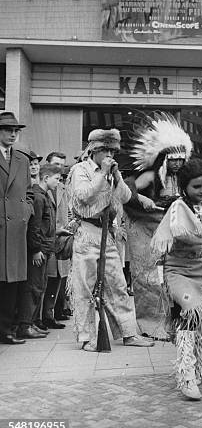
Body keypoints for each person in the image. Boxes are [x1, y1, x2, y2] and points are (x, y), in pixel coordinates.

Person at [66, 128, 154, 351]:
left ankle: (128, 333)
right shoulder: (80, 170)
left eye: (112, 151)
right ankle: (86, 337)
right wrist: (101, 174)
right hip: (87, 233)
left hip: (108, 235)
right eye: (105, 151)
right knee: (84, 287)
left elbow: (125, 197)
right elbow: (83, 195)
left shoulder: (113, 170)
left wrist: (115, 176)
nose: (110, 156)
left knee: (118, 285)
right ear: (94, 150)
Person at [151, 158, 202, 401]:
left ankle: (196, 366)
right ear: (184, 188)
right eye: (196, 187)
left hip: (201, 271)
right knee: (190, 312)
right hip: (178, 272)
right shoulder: (178, 206)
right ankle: (186, 375)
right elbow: (179, 232)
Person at [125, 113, 193, 337]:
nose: (178, 163)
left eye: (181, 160)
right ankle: (151, 326)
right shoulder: (150, 176)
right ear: (164, 159)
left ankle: (176, 321)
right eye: (173, 160)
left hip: (172, 229)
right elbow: (126, 190)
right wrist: (143, 200)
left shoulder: (183, 178)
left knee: (175, 276)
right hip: (147, 228)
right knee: (148, 277)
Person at [16, 163, 62, 339]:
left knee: (38, 287)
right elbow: (34, 227)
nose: (58, 182)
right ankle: (26, 325)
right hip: (39, 251)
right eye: (57, 179)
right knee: (33, 288)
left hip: (44, 249)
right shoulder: (38, 197)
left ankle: (32, 323)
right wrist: (36, 250)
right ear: (46, 178)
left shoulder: (43, 196)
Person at [0, 112, 34, 345]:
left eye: (16, 131)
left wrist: (25, 212)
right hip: (2, 225)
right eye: (7, 130)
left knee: (13, 282)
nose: (13, 134)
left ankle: (7, 329)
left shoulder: (22, 159)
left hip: (15, 230)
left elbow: (29, 193)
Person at [41, 151, 72, 328]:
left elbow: (67, 210)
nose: (59, 167)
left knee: (59, 278)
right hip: (48, 237)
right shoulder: (42, 186)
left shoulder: (62, 187)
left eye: (62, 164)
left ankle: (51, 314)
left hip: (60, 238)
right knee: (47, 278)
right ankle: (42, 316)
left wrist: (68, 227)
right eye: (56, 164)